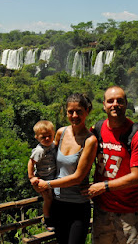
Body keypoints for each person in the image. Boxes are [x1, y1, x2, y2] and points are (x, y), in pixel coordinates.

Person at [84, 86, 138, 244]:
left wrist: (103, 186)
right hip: (102, 210)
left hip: (129, 212)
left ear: (126, 104)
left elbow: (137, 177)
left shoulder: (137, 135)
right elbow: (79, 146)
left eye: (119, 101)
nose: (115, 104)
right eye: (110, 101)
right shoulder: (97, 129)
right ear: (104, 105)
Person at [36, 93, 98, 244]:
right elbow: (49, 160)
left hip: (77, 205)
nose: (74, 115)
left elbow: (77, 177)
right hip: (57, 204)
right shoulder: (60, 133)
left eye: (79, 111)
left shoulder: (90, 141)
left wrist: (48, 184)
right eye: (71, 111)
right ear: (66, 112)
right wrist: (36, 178)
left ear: (87, 111)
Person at [28, 120, 57, 230]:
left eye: (49, 136)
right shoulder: (39, 150)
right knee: (48, 199)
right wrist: (32, 177)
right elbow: (31, 162)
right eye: (43, 137)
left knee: (55, 198)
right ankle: (47, 220)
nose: (47, 139)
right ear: (37, 137)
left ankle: (54, 218)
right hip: (43, 178)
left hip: (53, 176)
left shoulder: (53, 145)